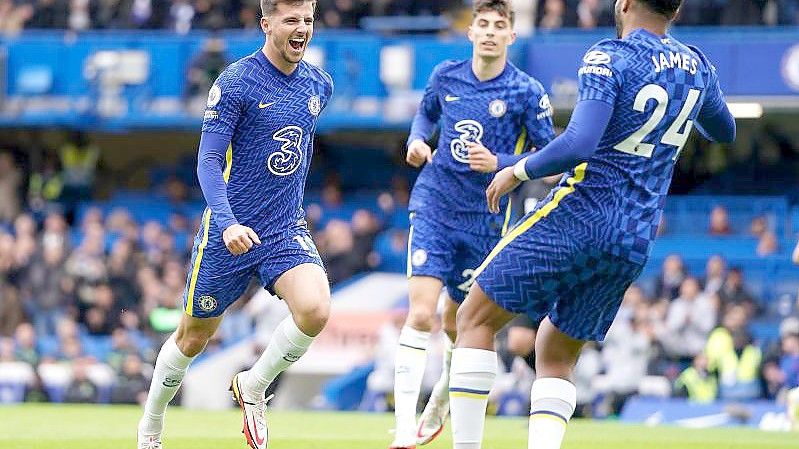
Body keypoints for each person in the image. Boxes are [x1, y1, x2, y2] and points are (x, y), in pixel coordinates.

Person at [448, 0, 736, 448]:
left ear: (624, 4)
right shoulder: (696, 66)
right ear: (675, 11)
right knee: (556, 351)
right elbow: (726, 132)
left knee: (474, 318)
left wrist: (516, 170)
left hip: (579, 216)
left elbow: (579, 143)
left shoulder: (610, 56)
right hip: (633, 238)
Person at [136, 1, 333, 449]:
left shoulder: (320, 84)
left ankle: (255, 385)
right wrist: (226, 223)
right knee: (193, 337)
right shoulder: (236, 82)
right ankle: (150, 425)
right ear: (266, 24)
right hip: (229, 232)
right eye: (291, 20)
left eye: (307, 20)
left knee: (316, 310)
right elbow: (207, 160)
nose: (302, 28)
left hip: (283, 229)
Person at [392, 1, 556, 447]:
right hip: (435, 202)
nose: (488, 32)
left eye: (498, 26)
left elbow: (553, 160)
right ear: (470, 33)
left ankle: (441, 399)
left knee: (459, 323)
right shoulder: (446, 75)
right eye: (481, 24)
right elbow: (425, 113)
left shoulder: (526, 91)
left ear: (511, 37)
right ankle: (403, 427)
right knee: (422, 312)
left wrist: (501, 162)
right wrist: (415, 140)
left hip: (486, 218)